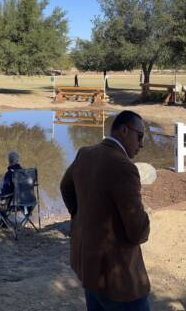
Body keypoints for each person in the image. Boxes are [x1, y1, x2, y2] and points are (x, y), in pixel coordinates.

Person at [61, 110, 151, 310]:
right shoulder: (124, 167)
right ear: (124, 131)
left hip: (89, 270)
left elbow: (65, 187)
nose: (142, 144)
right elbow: (137, 231)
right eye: (140, 136)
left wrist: (80, 217)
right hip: (119, 281)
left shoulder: (84, 153)